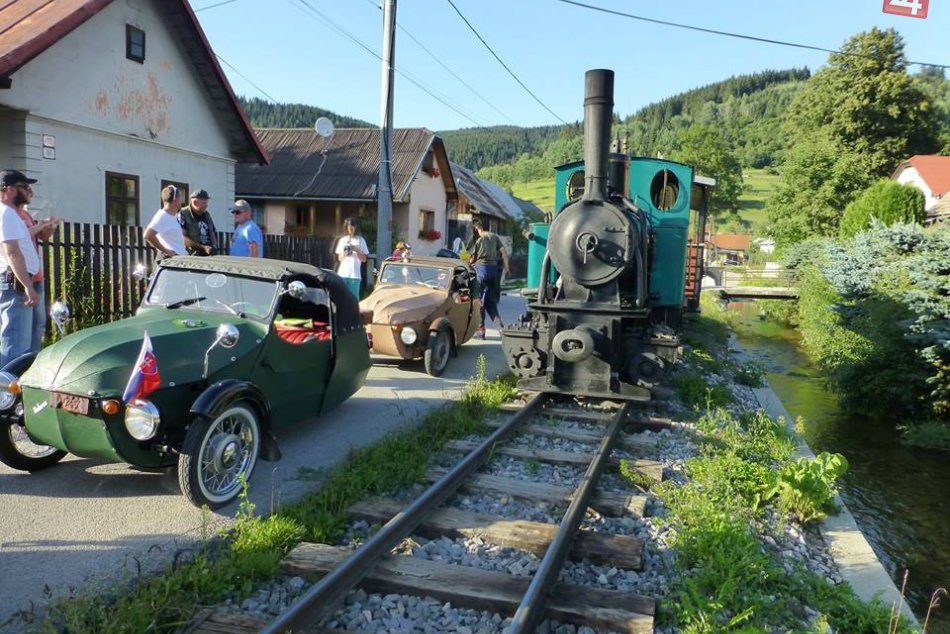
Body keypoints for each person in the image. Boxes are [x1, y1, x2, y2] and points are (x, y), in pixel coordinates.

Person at [0, 169, 51, 365]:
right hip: (16, 282)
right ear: (10, 189)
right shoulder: (6, 214)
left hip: (17, 280)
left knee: (21, 342)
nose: (30, 190)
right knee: (15, 345)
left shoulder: (10, 214)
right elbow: (12, 252)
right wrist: (28, 286)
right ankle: (8, 383)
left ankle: (17, 380)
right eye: (25, 186)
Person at [15, 201, 59, 353]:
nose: (30, 192)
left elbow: (43, 236)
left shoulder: (25, 213)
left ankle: (32, 358)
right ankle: (20, 361)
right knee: (22, 328)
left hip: (37, 278)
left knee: (39, 323)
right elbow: (22, 236)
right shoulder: (8, 214)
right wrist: (41, 225)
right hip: (22, 278)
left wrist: (50, 226)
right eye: (26, 189)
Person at [470, 217, 505, 338]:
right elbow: (503, 252)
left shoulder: (478, 239)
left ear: (476, 227)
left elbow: (472, 258)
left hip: (481, 270)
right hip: (493, 271)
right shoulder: (494, 237)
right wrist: (507, 267)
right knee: (490, 302)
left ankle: (480, 331)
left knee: (479, 301)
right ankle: (500, 327)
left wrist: (469, 263)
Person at [145, 185, 187, 259]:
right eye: (180, 198)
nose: (181, 201)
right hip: (168, 261)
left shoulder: (171, 217)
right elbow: (148, 235)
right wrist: (167, 251)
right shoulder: (163, 216)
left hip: (176, 261)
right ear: (176, 199)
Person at [334, 217, 368, 298]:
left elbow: (364, 259)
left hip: (355, 275)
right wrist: (345, 252)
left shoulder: (361, 240)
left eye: (352, 226)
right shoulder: (342, 240)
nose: (350, 228)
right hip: (342, 274)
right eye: (348, 226)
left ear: (356, 227)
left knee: (353, 299)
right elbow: (339, 258)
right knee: (341, 297)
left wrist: (357, 250)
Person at [178, 189, 217, 256]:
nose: (207, 205)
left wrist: (214, 246)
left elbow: (212, 233)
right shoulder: (183, 214)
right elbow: (181, 237)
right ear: (195, 203)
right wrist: (203, 247)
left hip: (208, 255)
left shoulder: (207, 214)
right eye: (204, 203)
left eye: (207, 203)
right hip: (192, 256)